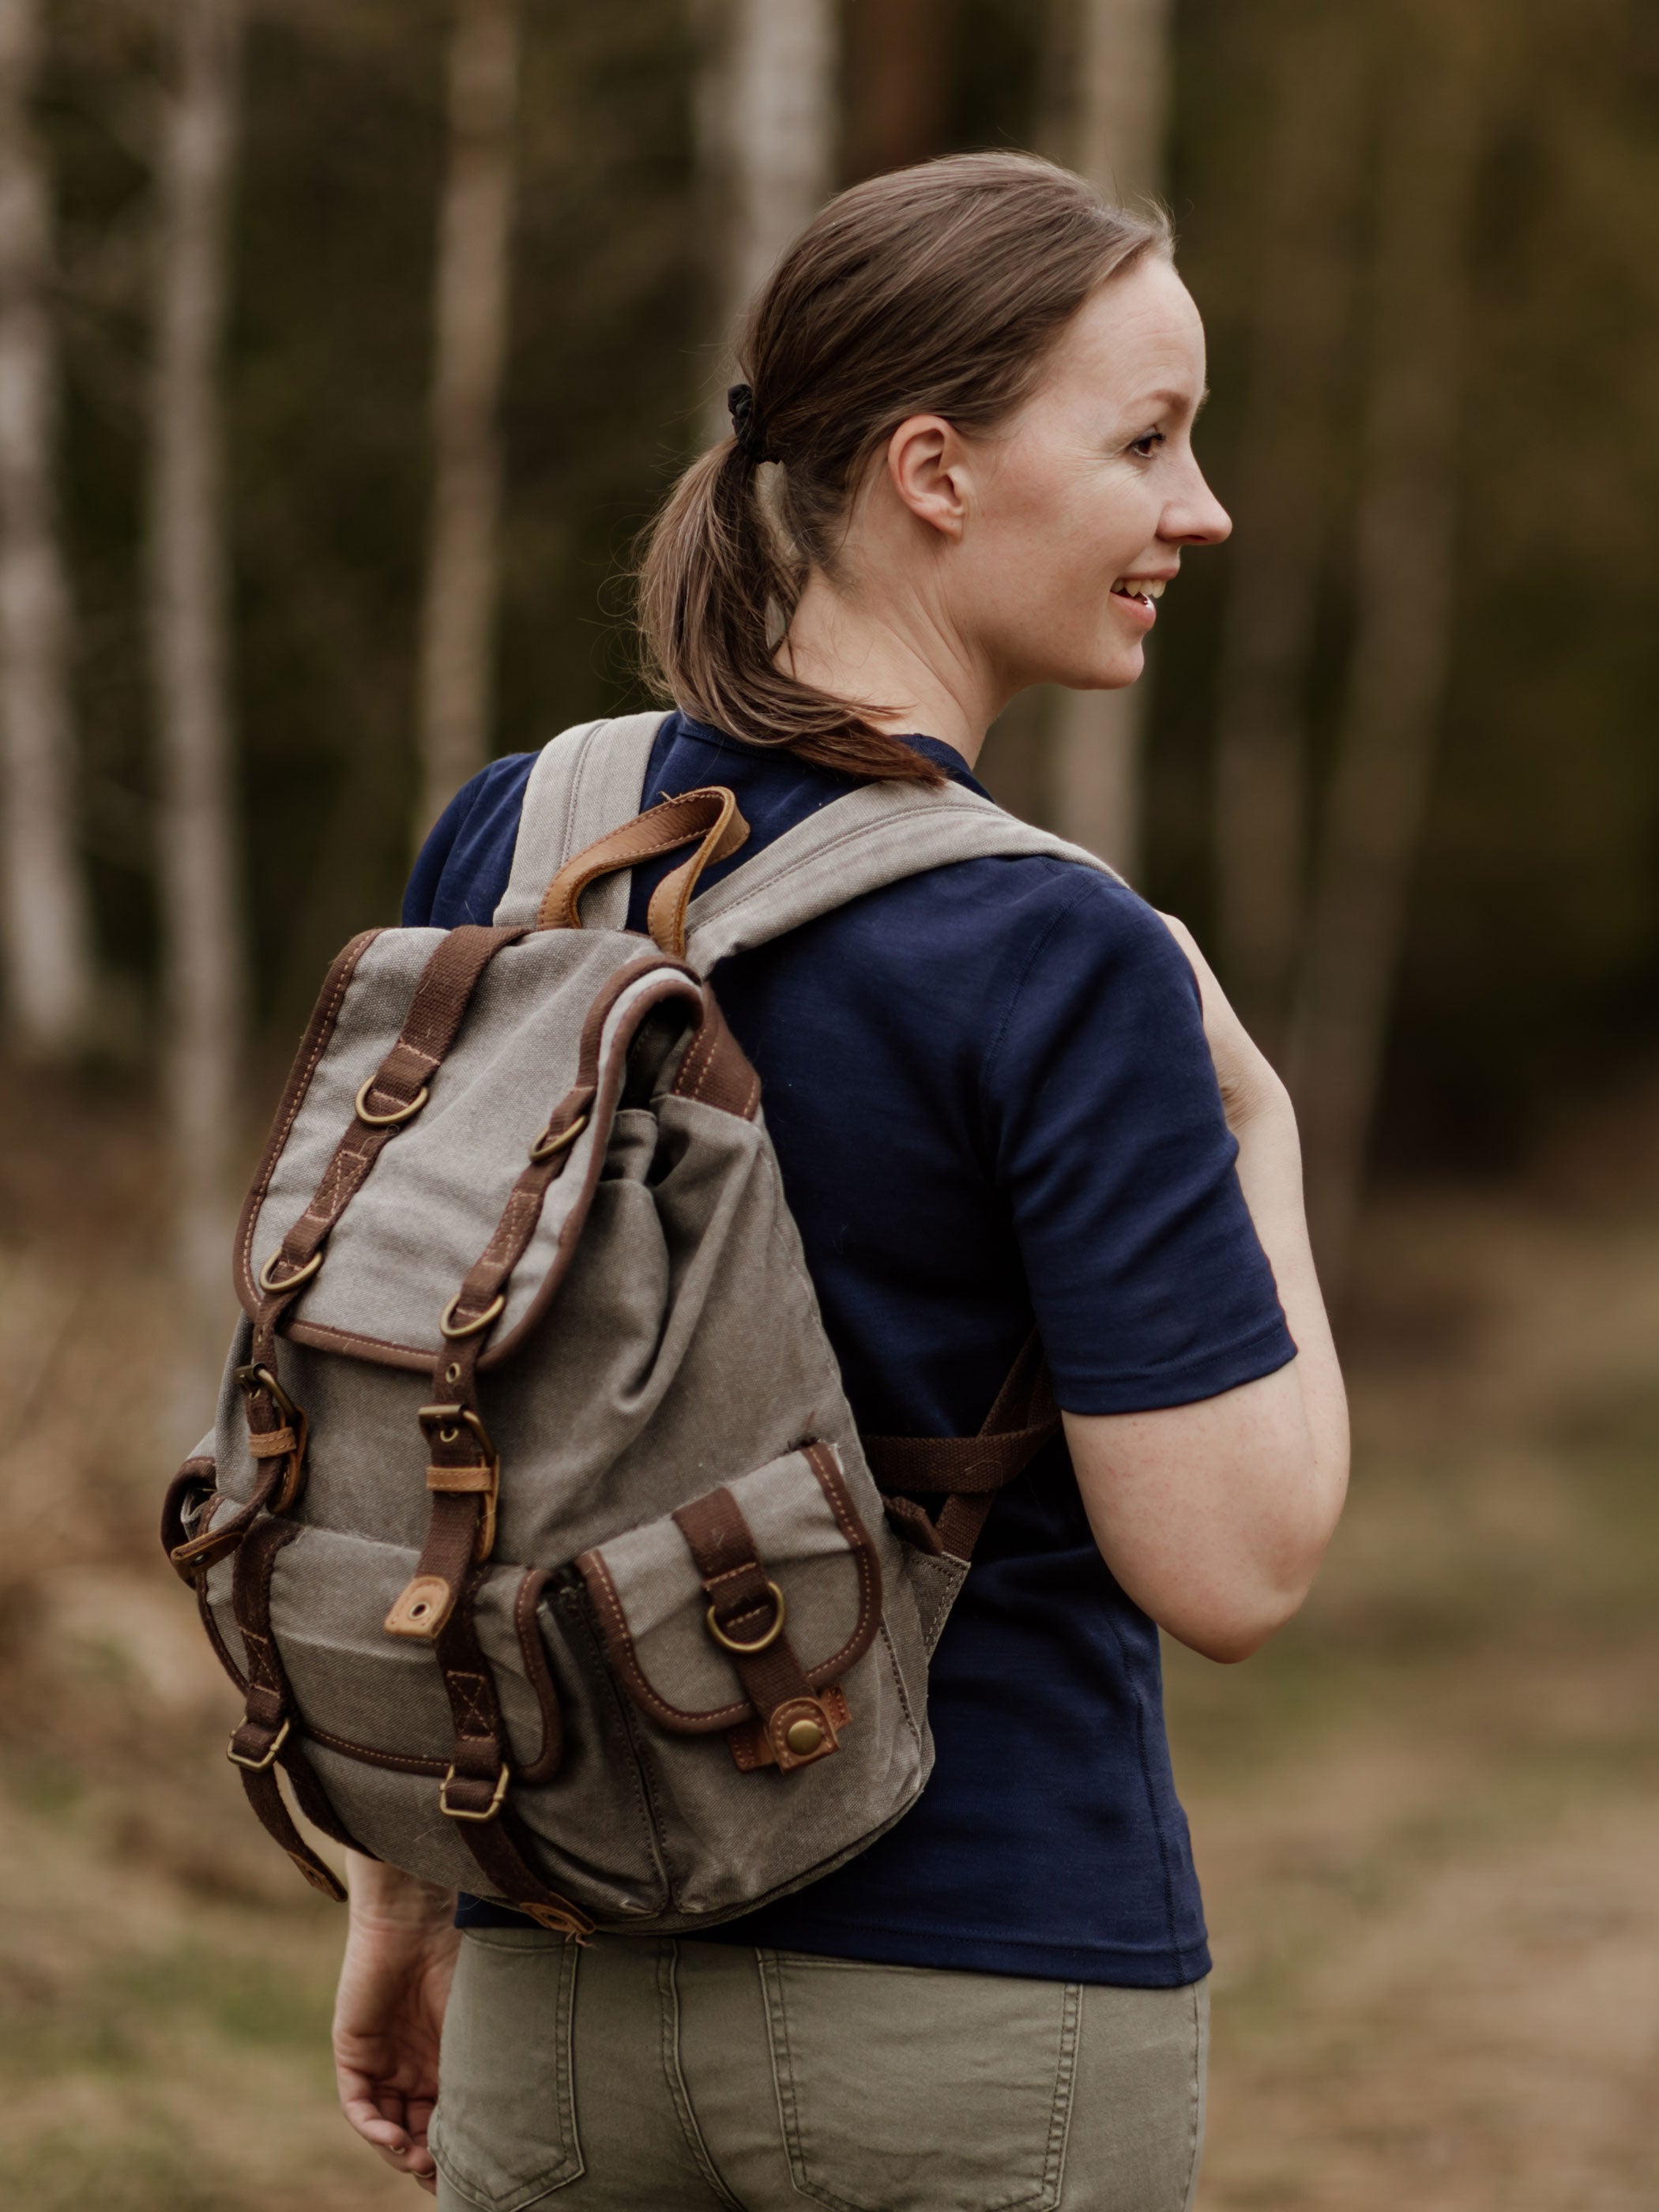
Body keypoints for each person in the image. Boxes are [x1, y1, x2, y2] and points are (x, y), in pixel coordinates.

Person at [333, 152, 1348, 2211]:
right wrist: (1264, 1139)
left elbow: (414, 1421)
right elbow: (1231, 1566)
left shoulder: (528, 844)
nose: (1200, 508)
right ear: (932, 471)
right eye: (1146, 438)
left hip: (560, 1959)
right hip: (981, 1999)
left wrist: (408, 1905)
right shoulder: (1062, 953)